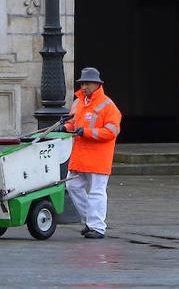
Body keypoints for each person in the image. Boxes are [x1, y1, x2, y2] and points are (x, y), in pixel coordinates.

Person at [63, 67, 122, 239]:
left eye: (87, 83)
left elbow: (111, 131)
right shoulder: (79, 102)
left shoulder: (108, 106)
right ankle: (91, 222)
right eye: (82, 83)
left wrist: (86, 132)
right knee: (72, 186)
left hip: (97, 157)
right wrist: (65, 127)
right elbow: (74, 123)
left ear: (97, 84)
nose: (84, 86)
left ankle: (96, 226)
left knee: (97, 191)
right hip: (81, 155)